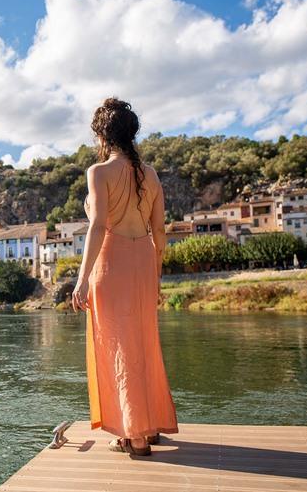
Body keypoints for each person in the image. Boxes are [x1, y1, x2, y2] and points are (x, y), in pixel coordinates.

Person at [71, 97, 178, 456]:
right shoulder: (150, 174)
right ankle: (149, 425)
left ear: (102, 135)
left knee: (117, 346)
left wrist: (82, 278)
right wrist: (157, 274)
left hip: (111, 262)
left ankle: (133, 436)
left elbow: (99, 225)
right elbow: (159, 230)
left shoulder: (98, 172)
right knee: (144, 343)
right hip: (144, 261)